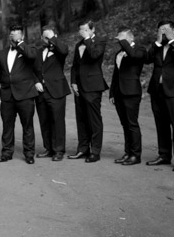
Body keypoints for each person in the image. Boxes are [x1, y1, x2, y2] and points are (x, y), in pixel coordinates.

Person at [144, 21, 174, 172]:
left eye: (166, 30)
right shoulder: (158, 46)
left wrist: (172, 40)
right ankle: (164, 155)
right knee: (161, 125)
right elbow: (146, 59)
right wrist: (158, 42)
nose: (163, 32)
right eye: (160, 30)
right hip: (157, 91)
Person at [0, 25, 39, 165]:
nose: (14, 37)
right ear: (9, 37)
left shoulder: (28, 50)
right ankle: (6, 153)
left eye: (17, 35)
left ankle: (29, 154)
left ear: (22, 36)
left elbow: (31, 56)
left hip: (25, 95)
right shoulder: (1, 54)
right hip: (7, 95)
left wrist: (20, 43)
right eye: (12, 35)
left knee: (28, 126)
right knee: (7, 126)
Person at [68, 20, 108, 163]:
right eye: (80, 30)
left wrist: (87, 40)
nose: (82, 33)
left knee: (94, 119)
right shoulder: (79, 45)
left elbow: (94, 55)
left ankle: (95, 151)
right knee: (81, 119)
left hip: (93, 86)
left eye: (85, 30)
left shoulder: (100, 41)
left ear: (92, 30)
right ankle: (83, 149)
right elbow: (74, 66)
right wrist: (73, 82)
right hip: (79, 87)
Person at [109, 27, 146, 166]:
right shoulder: (119, 53)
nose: (120, 41)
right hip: (119, 92)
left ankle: (136, 155)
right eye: (119, 39)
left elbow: (133, 56)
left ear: (131, 38)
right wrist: (112, 93)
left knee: (132, 123)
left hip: (131, 92)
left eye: (123, 38)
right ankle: (128, 152)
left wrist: (124, 42)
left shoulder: (139, 50)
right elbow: (115, 74)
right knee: (124, 124)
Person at [33, 26, 70, 162]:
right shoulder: (37, 52)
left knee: (57, 121)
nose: (46, 39)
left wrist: (52, 38)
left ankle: (59, 150)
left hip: (56, 90)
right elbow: (32, 69)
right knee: (44, 121)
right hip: (41, 92)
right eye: (44, 37)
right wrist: (36, 81)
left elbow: (64, 50)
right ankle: (48, 148)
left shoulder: (60, 51)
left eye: (48, 37)